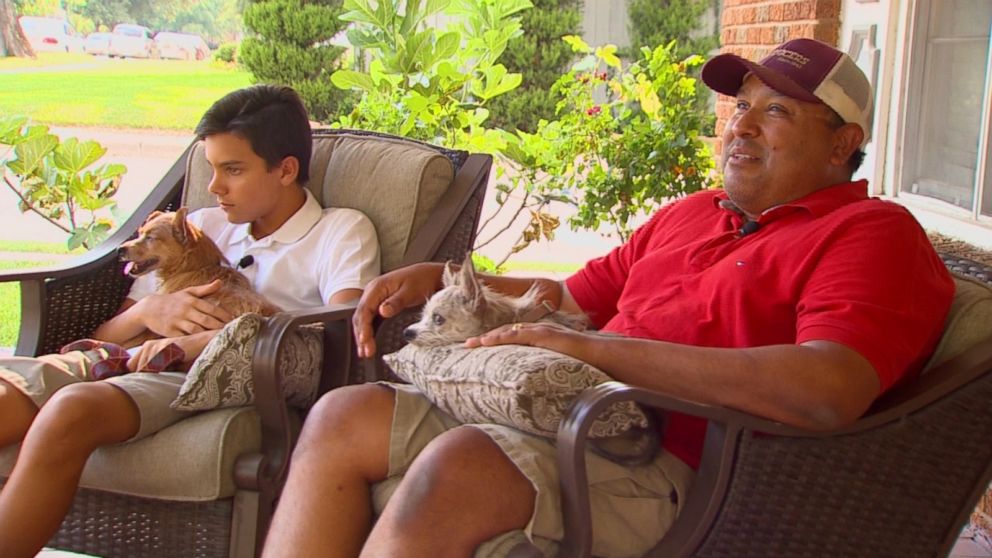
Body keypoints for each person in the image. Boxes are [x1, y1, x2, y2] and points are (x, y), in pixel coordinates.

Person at [263, 38, 955, 558]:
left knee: (457, 466)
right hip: (569, 411)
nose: (740, 127)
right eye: (740, 106)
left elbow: (826, 386)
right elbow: (569, 295)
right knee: (342, 414)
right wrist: (437, 274)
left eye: (775, 112)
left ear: (844, 143)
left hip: (684, 461)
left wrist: (594, 348)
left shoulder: (871, 234)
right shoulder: (694, 213)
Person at [0, 84, 381, 558]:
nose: (214, 186)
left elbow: (338, 331)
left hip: (210, 375)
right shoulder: (202, 224)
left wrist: (200, 338)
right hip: (128, 354)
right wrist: (148, 310)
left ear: (285, 169)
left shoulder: (339, 232)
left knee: (71, 410)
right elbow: (106, 336)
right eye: (211, 168)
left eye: (232, 170)